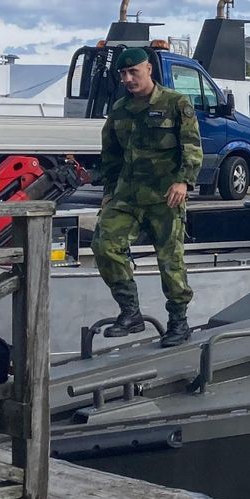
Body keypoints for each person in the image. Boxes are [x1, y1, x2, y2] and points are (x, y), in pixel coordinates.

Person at [94, 46, 202, 346]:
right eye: (123, 74)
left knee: (170, 261)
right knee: (104, 245)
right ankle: (130, 312)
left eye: (134, 72)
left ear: (148, 70)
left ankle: (178, 322)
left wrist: (183, 182)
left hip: (166, 196)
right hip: (127, 195)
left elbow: (192, 147)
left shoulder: (175, 103)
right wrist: (108, 193)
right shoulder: (119, 110)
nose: (128, 79)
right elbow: (110, 156)